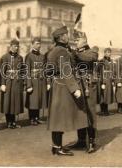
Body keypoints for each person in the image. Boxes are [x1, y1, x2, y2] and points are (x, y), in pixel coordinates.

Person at [47, 25, 88, 156]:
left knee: (58, 116)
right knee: (60, 117)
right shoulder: (61, 51)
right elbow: (66, 70)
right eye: (66, 35)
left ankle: (56, 146)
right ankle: (57, 147)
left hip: (59, 85)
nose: (68, 36)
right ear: (61, 37)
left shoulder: (56, 50)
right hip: (64, 87)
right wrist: (75, 88)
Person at [67, 30, 98, 153]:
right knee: (80, 112)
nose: (76, 42)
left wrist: (75, 54)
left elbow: (89, 58)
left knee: (90, 113)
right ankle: (80, 141)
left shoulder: (92, 51)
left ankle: (91, 141)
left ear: (84, 40)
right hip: (78, 84)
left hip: (89, 86)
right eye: (74, 40)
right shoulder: (76, 53)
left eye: (77, 40)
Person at [0, 38, 24, 129]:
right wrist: (3, 84)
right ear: (10, 46)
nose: (16, 48)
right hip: (8, 81)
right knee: (8, 102)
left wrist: (23, 82)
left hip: (17, 82)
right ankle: (9, 122)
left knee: (15, 102)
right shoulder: (4, 57)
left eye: (17, 46)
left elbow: (22, 71)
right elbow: (2, 71)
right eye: (15, 46)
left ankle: (13, 122)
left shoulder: (20, 57)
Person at [25, 37, 48, 125]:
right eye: (37, 43)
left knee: (39, 100)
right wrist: (28, 85)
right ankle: (31, 118)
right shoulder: (29, 56)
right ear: (32, 44)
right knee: (32, 101)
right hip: (33, 81)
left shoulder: (42, 56)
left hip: (41, 81)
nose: (39, 45)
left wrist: (47, 82)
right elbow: (27, 71)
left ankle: (37, 118)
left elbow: (44, 69)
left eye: (40, 43)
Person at [99, 48, 116, 116]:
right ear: (105, 53)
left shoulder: (111, 61)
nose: (109, 54)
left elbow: (113, 71)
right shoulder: (101, 61)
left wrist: (113, 80)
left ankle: (106, 110)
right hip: (104, 80)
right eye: (107, 52)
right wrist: (102, 82)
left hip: (109, 80)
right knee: (104, 95)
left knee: (108, 95)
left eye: (110, 52)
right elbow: (101, 72)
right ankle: (103, 111)